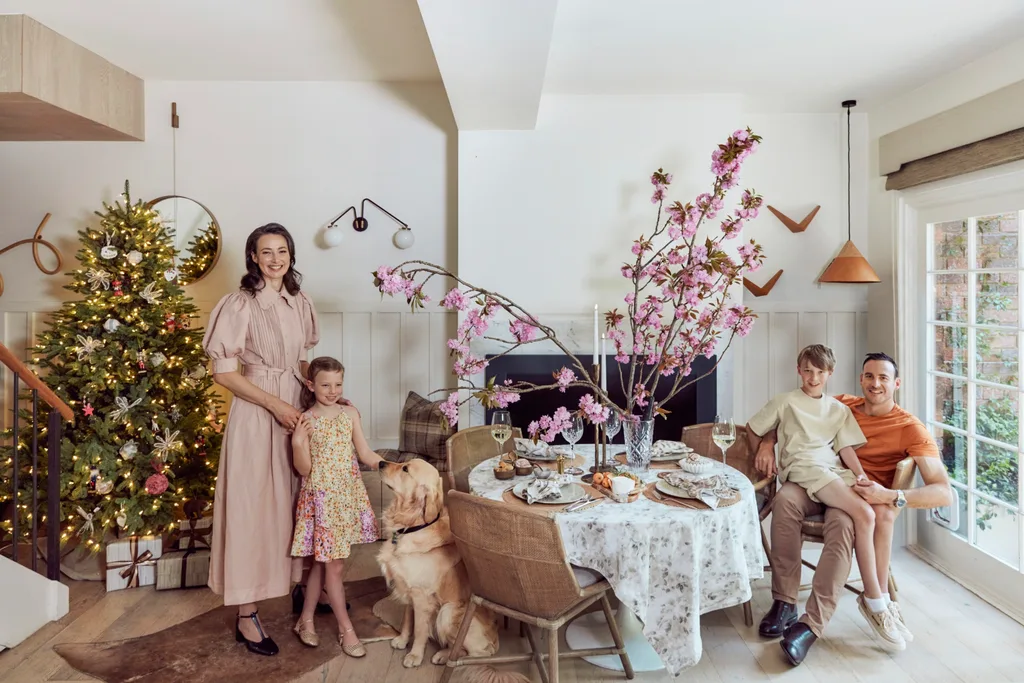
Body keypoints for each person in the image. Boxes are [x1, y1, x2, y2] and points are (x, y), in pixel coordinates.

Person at [754, 352, 953, 666]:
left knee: (844, 526)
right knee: (786, 501)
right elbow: (794, 414)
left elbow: (944, 493)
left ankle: (811, 625)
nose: (875, 384)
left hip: (858, 497)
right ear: (861, 379)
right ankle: (784, 601)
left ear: (896, 383)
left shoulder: (910, 428)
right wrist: (767, 442)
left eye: (883, 378)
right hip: (818, 478)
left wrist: (889, 494)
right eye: (869, 376)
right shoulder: (842, 404)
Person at [204, 223, 322, 656]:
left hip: (296, 406)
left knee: (297, 499)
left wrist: (319, 389)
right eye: (265, 251)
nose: (275, 258)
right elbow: (225, 373)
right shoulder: (240, 304)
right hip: (257, 413)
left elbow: (301, 358)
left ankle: (300, 588)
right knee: (254, 507)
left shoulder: (300, 301)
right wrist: (275, 405)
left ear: (291, 255)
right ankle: (246, 614)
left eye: (282, 250)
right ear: (253, 257)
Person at [746, 344, 902, 649]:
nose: (813, 377)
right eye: (807, 370)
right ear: (798, 370)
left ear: (830, 374)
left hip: (829, 474)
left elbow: (844, 449)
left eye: (820, 372)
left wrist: (860, 477)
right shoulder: (786, 401)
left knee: (858, 518)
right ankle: (786, 601)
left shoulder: (839, 409)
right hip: (803, 471)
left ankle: (848, 607)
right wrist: (764, 448)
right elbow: (754, 428)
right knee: (791, 503)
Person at [290, 356, 383, 656]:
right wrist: (297, 443)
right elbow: (303, 469)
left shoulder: (350, 413)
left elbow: (365, 453)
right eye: (325, 384)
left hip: (347, 497)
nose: (332, 390)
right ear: (311, 384)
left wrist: (392, 466)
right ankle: (347, 630)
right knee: (335, 565)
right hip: (322, 500)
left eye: (338, 384)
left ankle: (305, 620)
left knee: (322, 563)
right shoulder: (306, 420)